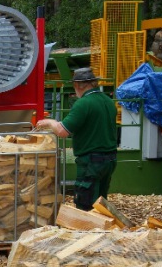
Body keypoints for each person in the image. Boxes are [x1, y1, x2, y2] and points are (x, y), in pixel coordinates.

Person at [35, 67, 118, 211]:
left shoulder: (83, 103)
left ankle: (85, 230)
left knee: (84, 203)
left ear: (78, 85)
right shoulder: (108, 101)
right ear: (94, 83)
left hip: (91, 161)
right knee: (100, 201)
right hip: (110, 159)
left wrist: (49, 122)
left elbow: (62, 131)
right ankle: (101, 229)